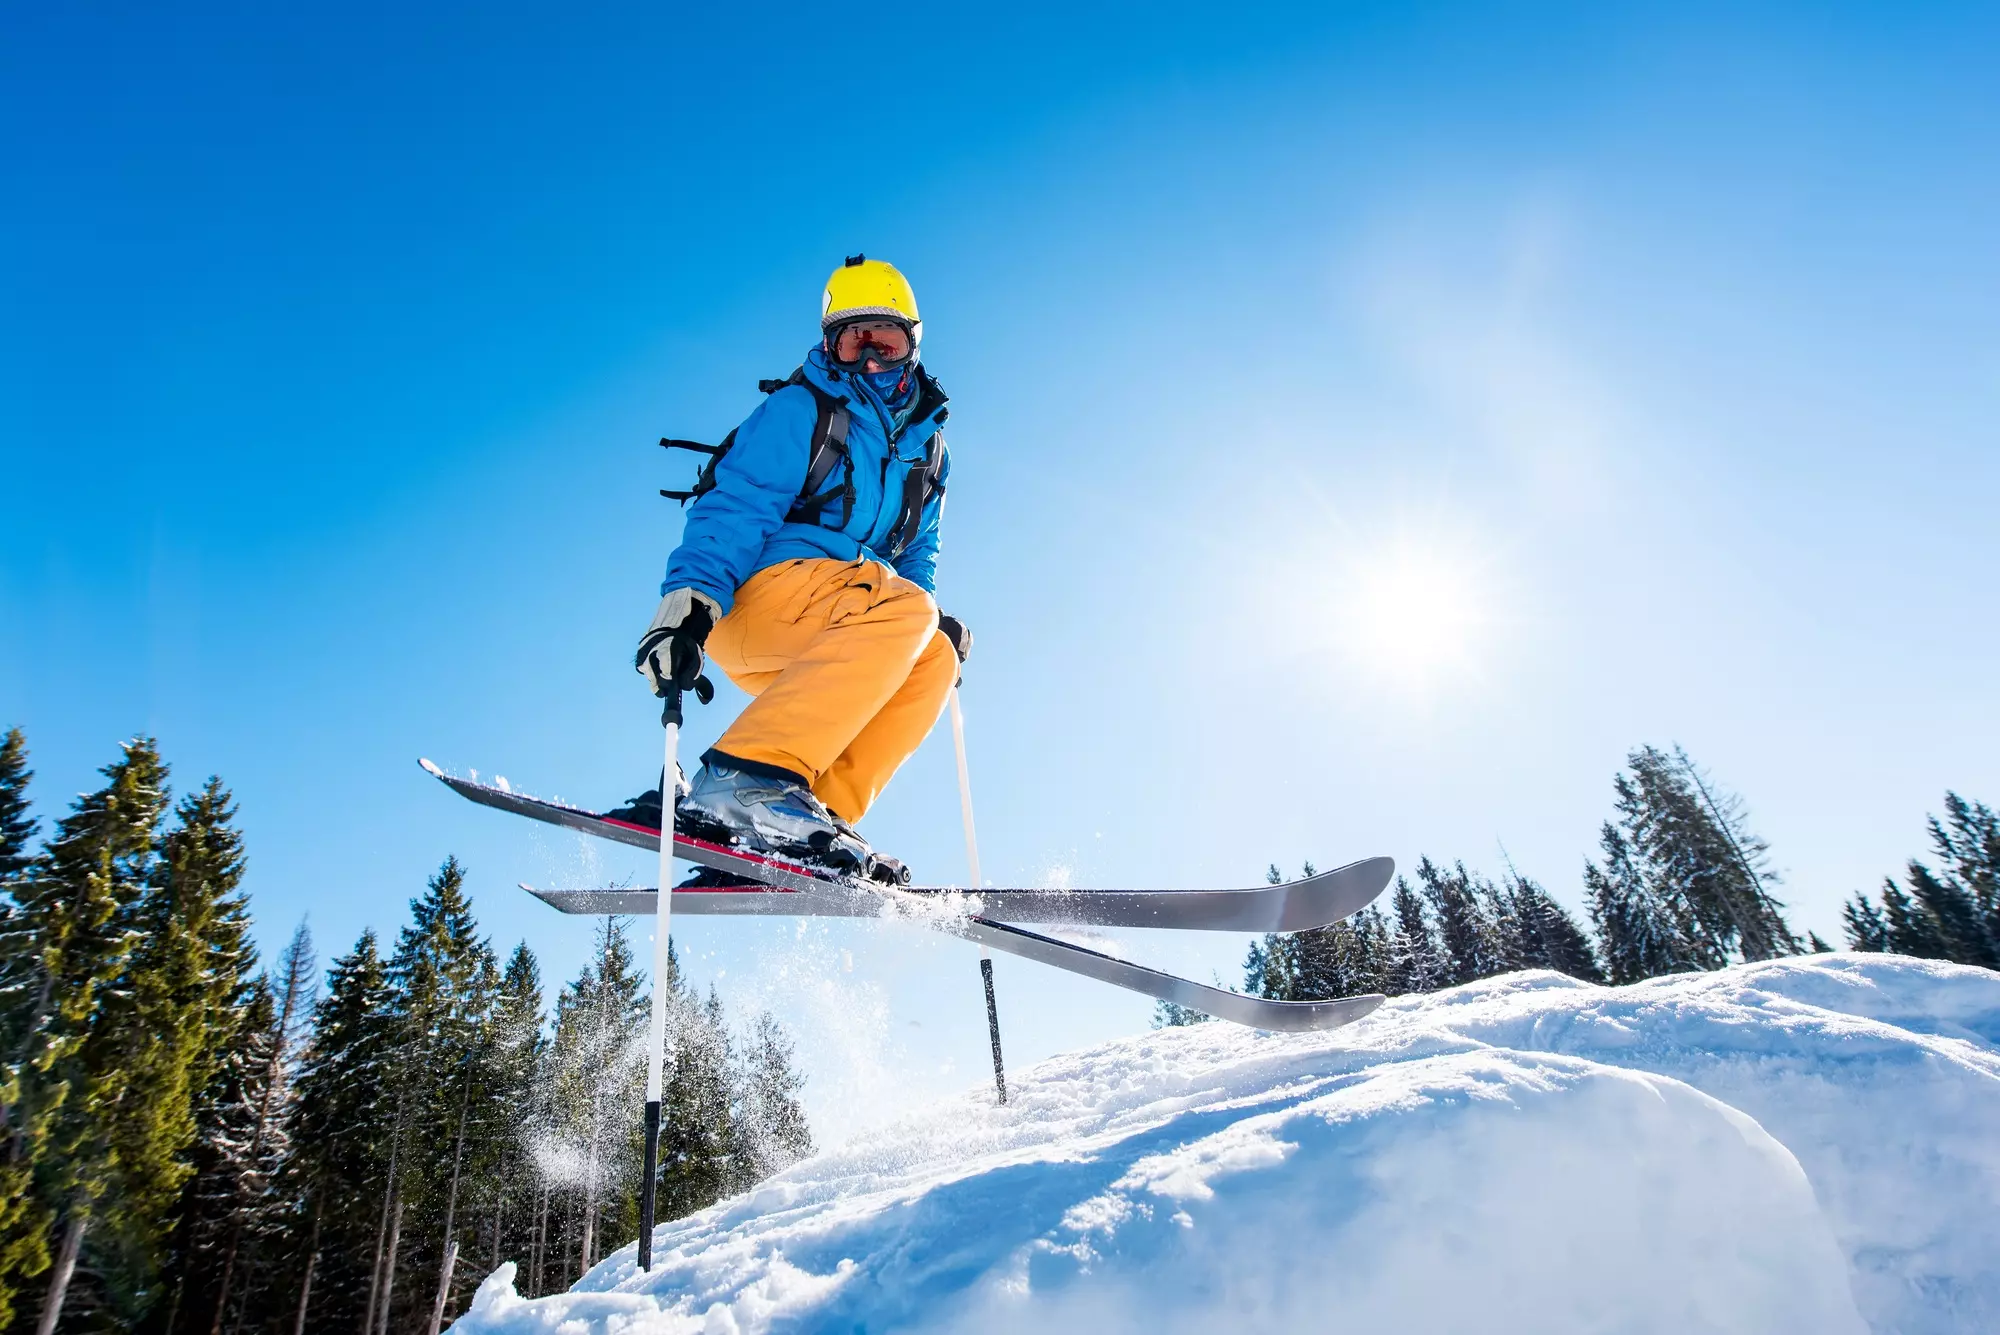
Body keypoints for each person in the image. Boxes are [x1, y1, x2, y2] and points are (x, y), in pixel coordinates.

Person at [616, 256, 969, 880]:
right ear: (829, 345)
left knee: (932, 654)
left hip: (840, 621)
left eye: (882, 343)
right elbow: (737, 502)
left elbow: (919, 552)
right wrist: (687, 607)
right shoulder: (805, 410)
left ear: (911, 346)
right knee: (910, 610)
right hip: (755, 598)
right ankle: (745, 780)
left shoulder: (929, 451)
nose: (868, 361)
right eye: (851, 342)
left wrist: (926, 623)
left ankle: (802, 818)